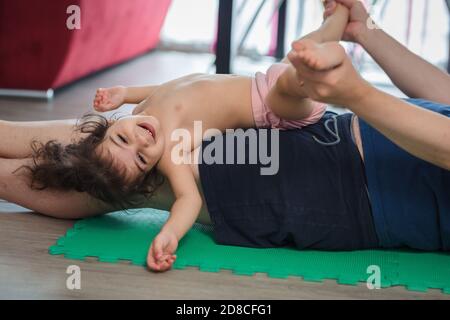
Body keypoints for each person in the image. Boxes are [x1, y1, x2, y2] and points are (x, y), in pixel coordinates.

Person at [0, 0, 448, 273]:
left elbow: (183, 200)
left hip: (349, 193)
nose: (138, 141)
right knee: (101, 152)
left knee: (137, 180)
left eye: (132, 148)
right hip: (342, 132)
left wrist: (360, 95)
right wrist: (363, 30)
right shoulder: (136, 124)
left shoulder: (160, 151)